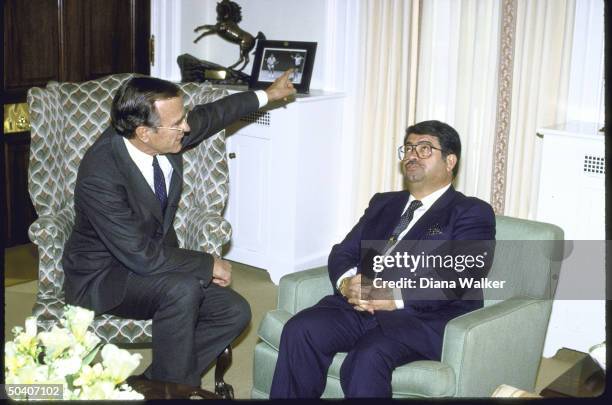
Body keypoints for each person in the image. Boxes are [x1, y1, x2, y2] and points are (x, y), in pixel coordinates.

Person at [62, 70, 296, 388]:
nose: (186, 127)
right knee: (182, 288)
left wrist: (268, 94)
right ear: (144, 132)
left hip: (152, 261)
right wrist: (207, 263)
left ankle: (157, 385)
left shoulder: (164, 132)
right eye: (177, 124)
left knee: (235, 311)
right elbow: (140, 256)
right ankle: (174, 392)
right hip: (105, 276)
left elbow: (213, 115)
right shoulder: (100, 175)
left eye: (183, 117)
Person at [270, 120, 496, 398]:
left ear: (450, 161)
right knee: (300, 329)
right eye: (409, 148)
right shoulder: (384, 203)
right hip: (357, 307)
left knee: (366, 357)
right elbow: (344, 251)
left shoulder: (470, 212)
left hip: (419, 318)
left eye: (425, 149)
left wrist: (394, 296)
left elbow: (461, 275)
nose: (412, 155)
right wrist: (346, 284)